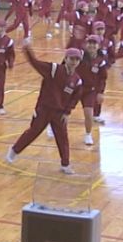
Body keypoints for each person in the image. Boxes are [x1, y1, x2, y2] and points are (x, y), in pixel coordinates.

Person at [5, 46, 84, 174]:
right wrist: (28, 52)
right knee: (33, 131)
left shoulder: (77, 80)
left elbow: (75, 98)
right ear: (66, 58)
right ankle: (14, 150)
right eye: (71, 58)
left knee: (62, 138)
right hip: (44, 108)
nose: (74, 61)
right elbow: (36, 64)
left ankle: (65, 164)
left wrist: (67, 112)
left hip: (59, 113)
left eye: (77, 59)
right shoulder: (54, 69)